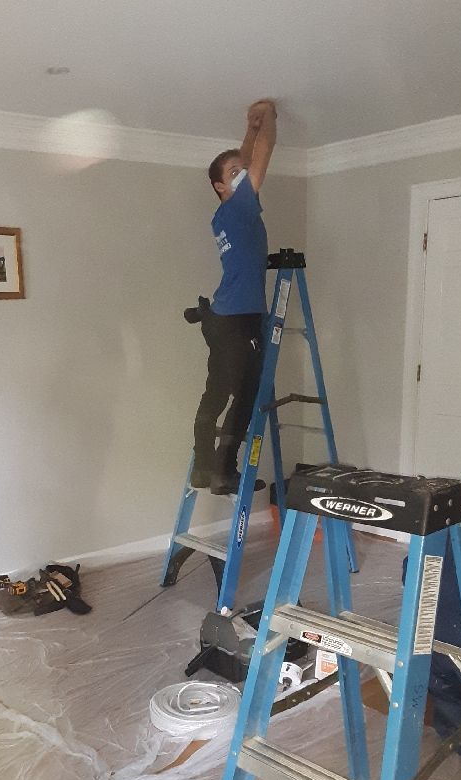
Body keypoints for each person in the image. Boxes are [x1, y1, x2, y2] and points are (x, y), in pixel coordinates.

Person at [191, 98, 277, 494]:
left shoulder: (228, 211)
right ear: (220, 187)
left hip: (222, 318)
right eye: (233, 173)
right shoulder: (240, 207)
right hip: (240, 318)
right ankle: (225, 472)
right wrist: (270, 118)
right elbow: (260, 160)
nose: (242, 175)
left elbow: (244, 160)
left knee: (217, 390)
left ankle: (204, 468)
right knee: (244, 393)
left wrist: (250, 127)